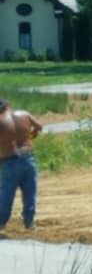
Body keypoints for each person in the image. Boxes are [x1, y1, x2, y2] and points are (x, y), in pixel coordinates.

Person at [0, 98, 43, 232]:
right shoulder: (24, 114)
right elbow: (39, 127)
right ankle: (29, 223)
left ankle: (1, 222)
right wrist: (31, 135)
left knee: (7, 194)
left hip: (10, 160)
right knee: (30, 192)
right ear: (8, 106)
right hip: (29, 158)